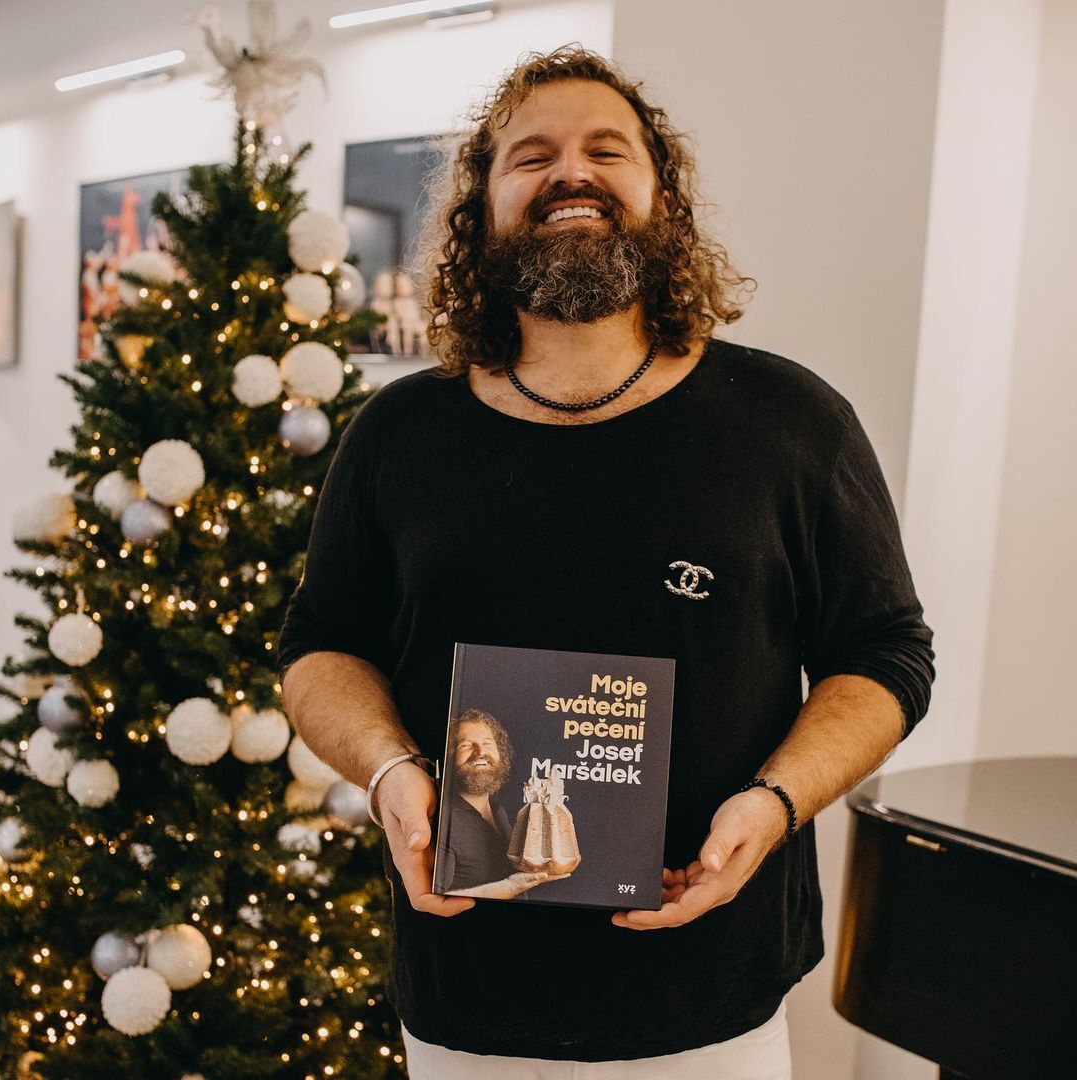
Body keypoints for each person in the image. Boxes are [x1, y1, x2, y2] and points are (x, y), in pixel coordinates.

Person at [279, 43, 935, 1080]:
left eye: (606, 149)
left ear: (661, 194)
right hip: (466, 995)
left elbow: (885, 654)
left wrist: (773, 804)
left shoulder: (790, 423)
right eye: (531, 156)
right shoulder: (398, 434)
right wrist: (390, 770)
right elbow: (321, 647)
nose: (570, 173)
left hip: (708, 999)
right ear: (483, 209)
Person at [437, 708, 566, 900]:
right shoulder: (444, 822)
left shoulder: (497, 809)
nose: (480, 752)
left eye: (487, 743)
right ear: (448, 755)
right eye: (465, 745)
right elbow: (436, 901)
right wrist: (510, 887)